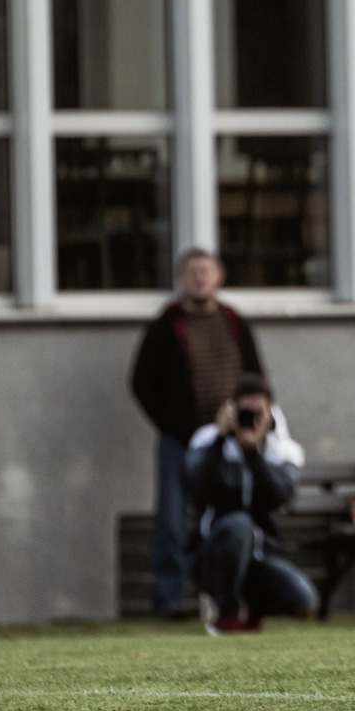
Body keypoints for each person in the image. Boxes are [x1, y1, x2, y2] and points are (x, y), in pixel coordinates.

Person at [130, 249, 264, 618]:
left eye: (206, 272)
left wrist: (248, 424)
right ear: (179, 279)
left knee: (235, 517)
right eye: (192, 273)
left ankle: (236, 600)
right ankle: (170, 601)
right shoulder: (165, 326)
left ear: (219, 277)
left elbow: (256, 378)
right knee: (172, 522)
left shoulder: (235, 323)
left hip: (231, 443)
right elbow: (141, 383)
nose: (200, 279)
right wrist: (173, 426)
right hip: (181, 442)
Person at [184, 373, 317, 634]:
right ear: (231, 409)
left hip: (261, 555)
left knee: (304, 598)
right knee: (239, 525)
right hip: (212, 554)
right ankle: (228, 612)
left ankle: (254, 608)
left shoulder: (281, 450)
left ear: (271, 414)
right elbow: (197, 490)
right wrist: (221, 439)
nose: (250, 420)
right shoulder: (207, 440)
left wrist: (253, 453)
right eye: (245, 412)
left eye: (258, 413)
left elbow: (280, 497)